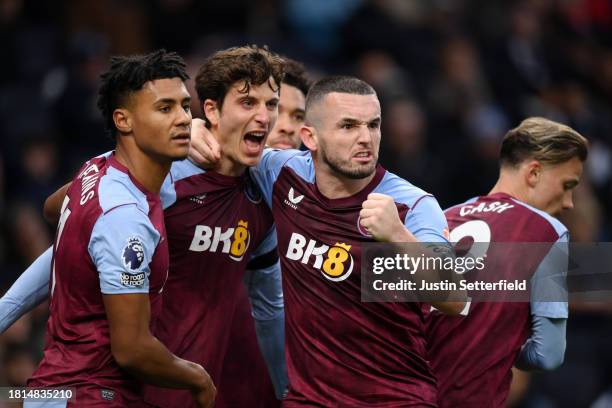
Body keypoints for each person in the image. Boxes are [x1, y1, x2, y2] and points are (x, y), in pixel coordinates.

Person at [0, 46, 287, 407]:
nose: (268, 117)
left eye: (273, 105)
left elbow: (271, 309)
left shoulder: (266, 195)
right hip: (113, 389)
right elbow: (68, 228)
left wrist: (286, 393)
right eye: (249, 103)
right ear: (211, 110)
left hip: (165, 392)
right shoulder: (154, 182)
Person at [190, 75, 463, 406]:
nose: (366, 138)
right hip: (308, 399)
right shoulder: (281, 172)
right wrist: (196, 128)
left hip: (394, 398)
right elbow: (230, 146)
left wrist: (397, 235)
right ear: (310, 138)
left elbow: (454, 298)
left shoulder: (411, 205)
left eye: (373, 125)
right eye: (348, 126)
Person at [24, 50, 216, 407]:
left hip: (53, 388)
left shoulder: (95, 169)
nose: (183, 120)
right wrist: (198, 378)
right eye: (164, 109)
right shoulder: (125, 218)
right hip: (91, 394)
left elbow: (54, 208)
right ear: (123, 120)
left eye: (185, 107)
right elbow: (132, 350)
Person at [425, 117, 588, 407]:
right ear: (534, 173)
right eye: (567, 185)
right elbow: (548, 353)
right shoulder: (546, 231)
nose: (569, 202)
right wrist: (503, 342)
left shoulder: (440, 219)